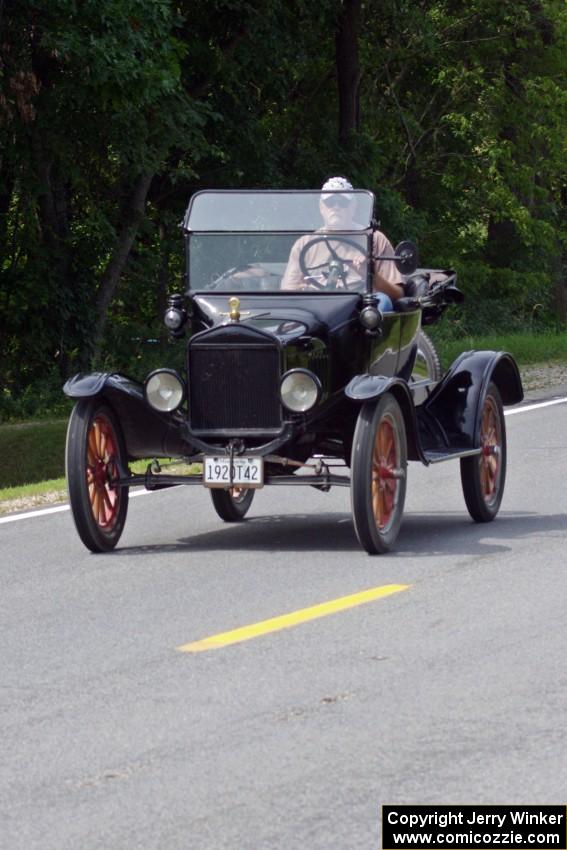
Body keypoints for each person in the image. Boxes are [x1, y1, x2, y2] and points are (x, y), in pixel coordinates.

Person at [281, 176, 404, 311]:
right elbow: (288, 292)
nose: (336, 207)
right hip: (315, 311)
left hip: (358, 313)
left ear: (353, 206)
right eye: (330, 202)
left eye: (342, 202)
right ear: (321, 207)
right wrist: (302, 291)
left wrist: (370, 275)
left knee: (383, 301)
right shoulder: (304, 244)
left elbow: (398, 294)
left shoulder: (374, 239)